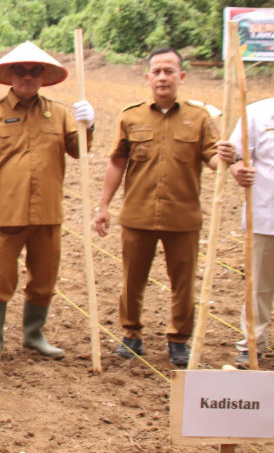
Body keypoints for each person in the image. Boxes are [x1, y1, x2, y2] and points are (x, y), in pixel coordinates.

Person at [94, 47, 237, 367]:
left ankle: (178, 340)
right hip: (138, 215)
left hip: (182, 217)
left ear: (181, 77)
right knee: (132, 279)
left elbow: (212, 159)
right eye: (156, 71)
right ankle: (131, 335)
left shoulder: (199, 118)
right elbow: (117, 162)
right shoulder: (131, 116)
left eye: (169, 71)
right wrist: (103, 205)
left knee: (183, 282)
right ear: (148, 77)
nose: (162, 77)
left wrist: (224, 158)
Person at [0, 40, 95, 361]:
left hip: (48, 213)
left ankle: (33, 334)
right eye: (21, 71)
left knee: (44, 277)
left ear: (42, 76)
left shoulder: (60, 114)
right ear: (11, 74)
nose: (27, 76)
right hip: (6, 214)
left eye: (34, 71)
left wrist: (88, 125)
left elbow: (79, 151)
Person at [228, 64, 274, 367]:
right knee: (258, 286)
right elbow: (234, 154)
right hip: (266, 216)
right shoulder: (257, 114)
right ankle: (253, 345)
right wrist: (238, 170)